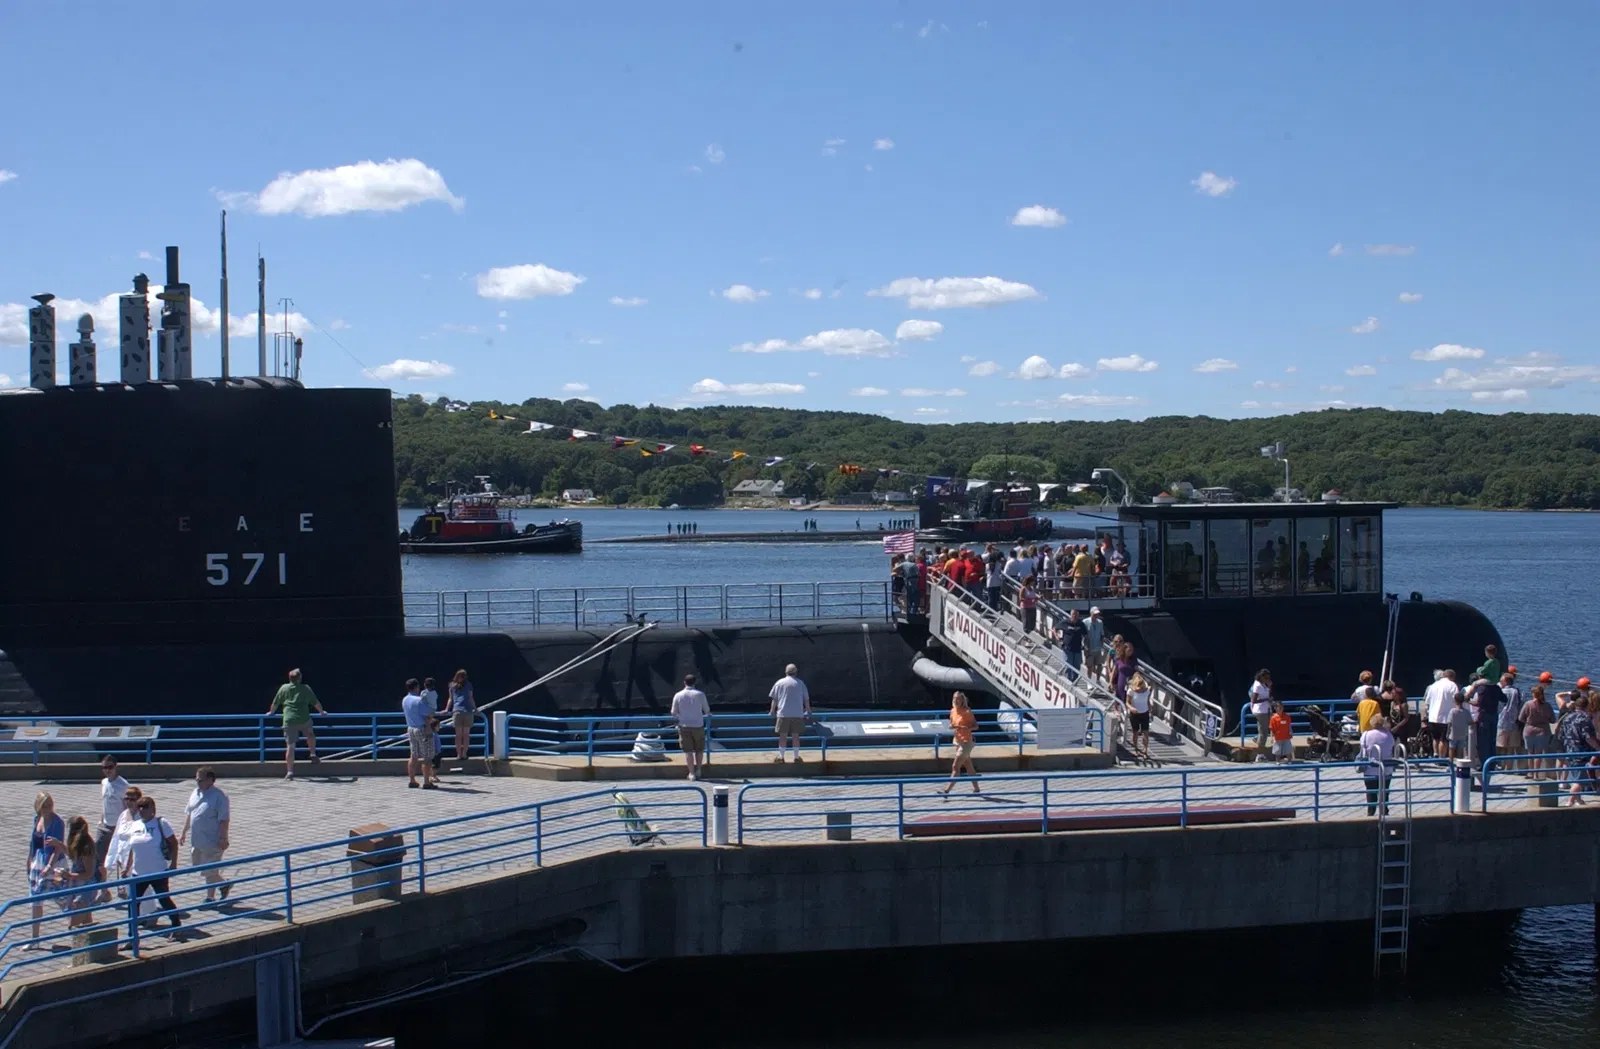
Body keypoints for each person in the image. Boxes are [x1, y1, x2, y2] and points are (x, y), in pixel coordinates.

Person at [120, 796, 183, 939]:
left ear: (153, 809)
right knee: (133, 904)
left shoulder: (161, 823)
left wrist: (173, 864)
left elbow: (173, 843)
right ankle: (132, 937)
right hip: (138, 873)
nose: (142, 810)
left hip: (158, 871)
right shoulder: (135, 825)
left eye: (145, 807)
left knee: (164, 899)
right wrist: (126, 867)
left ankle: (176, 924)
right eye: (139, 807)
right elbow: (132, 848)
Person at [179, 767, 231, 905]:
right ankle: (224, 884)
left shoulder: (219, 796)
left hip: (212, 840)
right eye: (196, 779)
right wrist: (183, 832)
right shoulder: (195, 793)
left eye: (200, 780)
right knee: (200, 867)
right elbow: (190, 814)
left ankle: (210, 897)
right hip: (196, 839)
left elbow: (224, 819)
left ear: (210, 780)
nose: (197, 782)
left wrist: (223, 838)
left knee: (210, 869)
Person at [269, 668, 325, 780]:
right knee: (310, 735)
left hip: (289, 720)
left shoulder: (284, 688)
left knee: (290, 746)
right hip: (304, 718)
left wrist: (271, 712)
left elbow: (276, 702)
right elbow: (315, 702)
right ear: (299, 678)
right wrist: (322, 712)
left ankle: (290, 772)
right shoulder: (305, 688)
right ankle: (313, 753)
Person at [27, 791, 66, 948]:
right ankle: (35, 938)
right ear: (39, 806)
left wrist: (50, 866)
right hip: (38, 862)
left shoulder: (58, 823)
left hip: (55, 865)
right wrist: (29, 862)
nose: (48, 808)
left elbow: (58, 848)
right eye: (45, 806)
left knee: (62, 899)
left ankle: (78, 926)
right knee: (36, 900)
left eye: (50, 805)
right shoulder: (37, 819)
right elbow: (33, 843)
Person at [1556, 693, 1600, 806]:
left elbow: (1561, 735)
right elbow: (1588, 737)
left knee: (1576, 777)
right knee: (1582, 779)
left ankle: (1578, 800)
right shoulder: (1584, 718)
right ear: (1586, 706)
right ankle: (1570, 801)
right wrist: (1597, 747)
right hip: (1583, 752)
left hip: (1569, 750)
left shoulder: (1568, 716)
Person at [57, 817, 99, 931]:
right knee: (86, 921)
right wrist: (59, 845)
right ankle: (90, 945)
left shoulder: (86, 847)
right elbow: (73, 856)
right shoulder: (77, 844)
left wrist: (70, 876)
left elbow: (89, 874)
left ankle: (79, 943)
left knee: (73, 924)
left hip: (87, 886)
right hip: (78, 885)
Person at [671, 673, 711, 781]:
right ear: (695, 683)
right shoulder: (700, 694)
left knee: (688, 751)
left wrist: (681, 717)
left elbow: (673, 712)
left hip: (684, 726)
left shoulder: (678, 695)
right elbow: (707, 711)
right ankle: (698, 770)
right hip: (698, 725)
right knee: (699, 750)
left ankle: (691, 773)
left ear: (684, 682)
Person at [769, 664, 811, 763]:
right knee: (795, 736)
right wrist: (808, 711)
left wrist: (772, 711)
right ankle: (796, 757)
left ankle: (781, 757)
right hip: (797, 714)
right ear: (796, 672)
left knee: (783, 736)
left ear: (786, 672)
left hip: (783, 714)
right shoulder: (800, 683)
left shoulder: (779, 683)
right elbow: (806, 699)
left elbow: (774, 699)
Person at [95, 755, 130, 875]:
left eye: (110, 767)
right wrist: (101, 820)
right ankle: (103, 888)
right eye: (104, 767)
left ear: (115, 767)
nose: (107, 770)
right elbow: (104, 802)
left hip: (118, 827)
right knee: (99, 856)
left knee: (120, 857)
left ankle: (122, 884)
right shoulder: (104, 782)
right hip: (105, 825)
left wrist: (127, 825)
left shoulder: (123, 785)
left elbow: (127, 807)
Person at [939, 691, 980, 794]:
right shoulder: (953, 711)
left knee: (955, 766)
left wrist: (965, 727)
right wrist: (953, 726)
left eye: (959, 699)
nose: (956, 701)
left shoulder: (967, 712)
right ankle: (976, 789)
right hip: (958, 741)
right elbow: (951, 724)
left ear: (962, 700)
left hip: (966, 742)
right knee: (968, 766)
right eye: (955, 699)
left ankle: (946, 790)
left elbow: (976, 726)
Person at [402, 679, 438, 789]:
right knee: (427, 757)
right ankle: (427, 782)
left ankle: (412, 780)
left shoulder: (405, 700)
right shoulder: (419, 700)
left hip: (411, 728)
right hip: (422, 729)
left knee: (414, 755)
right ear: (416, 687)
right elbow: (429, 713)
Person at [1359, 714, 1397, 816]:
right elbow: (1392, 749)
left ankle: (1371, 812)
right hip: (1386, 769)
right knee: (1384, 791)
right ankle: (1384, 811)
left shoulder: (1366, 735)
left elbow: (1363, 753)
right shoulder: (1389, 735)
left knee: (1371, 792)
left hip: (1370, 769)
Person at [1520, 683, 1557, 777]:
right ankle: (1536, 774)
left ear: (1533, 694)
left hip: (1529, 730)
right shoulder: (1547, 705)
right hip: (1543, 731)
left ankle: (1530, 773)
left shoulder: (1528, 704)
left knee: (1530, 753)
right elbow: (1553, 720)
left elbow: (1520, 718)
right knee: (1538, 753)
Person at [1423, 669, 1459, 759]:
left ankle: (1435, 753)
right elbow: (1457, 699)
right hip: (1446, 717)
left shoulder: (1433, 686)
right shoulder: (1452, 685)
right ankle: (1442, 758)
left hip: (1433, 716)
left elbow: (1427, 701)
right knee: (1444, 739)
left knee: (1435, 738)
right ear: (1452, 677)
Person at [446, 669, 477, 764]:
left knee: (461, 735)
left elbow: (451, 699)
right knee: (464, 735)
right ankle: (462, 753)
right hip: (464, 711)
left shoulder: (453, 685)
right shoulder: (467, 685)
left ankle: (461, 753)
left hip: (460, 711)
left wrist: (447, 709)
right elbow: (470, 698)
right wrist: (475, 708)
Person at [1496, 670, 1523, 760]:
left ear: (1505, 681)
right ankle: (1508, 766)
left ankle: (1500, 766)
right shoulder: (1517, 692)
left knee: (1500, 746)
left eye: (1501, 681)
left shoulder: (1502, 691)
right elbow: (1521, 704)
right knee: (1511, 748)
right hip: (1514, 722)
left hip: (1502, 722)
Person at [1126, 671, 1152, 761]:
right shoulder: (1131, 691)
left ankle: (1145, 751)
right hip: (1135, 714)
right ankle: (1135, 749)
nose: (1138, 689)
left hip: (1145, 713)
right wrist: (1131, 708)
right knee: (1135, 733)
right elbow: (1127, 702)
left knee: (1145, 733)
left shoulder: (1147, 691)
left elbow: (1147, 700)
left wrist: (1150, 708)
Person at [1248, 669, 1274, 758]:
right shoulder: (1257, 685)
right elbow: (1254, 700)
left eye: (1268, 678)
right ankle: (1260, 754)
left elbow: (1267, 695)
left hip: (1264, 709)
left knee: (1264, 730)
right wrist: (1266, 700)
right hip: (1259, 710)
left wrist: (1270, 687)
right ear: (1261, 677)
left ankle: (1258, 740)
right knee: (1264, 733)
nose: (1268, 679)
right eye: (1266, 678)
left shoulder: (1264, 685)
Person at [1057, 609, 1087, 678]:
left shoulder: (1081, 624)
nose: (1075, 616)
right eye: (1074, 614)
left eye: (1077, 615)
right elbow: (1055, 629)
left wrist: (1086, 645)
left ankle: (1074, 682)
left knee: (1077, 668)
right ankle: (1068, 683)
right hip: (1067, 649)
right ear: (1071, 615)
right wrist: (1058, 638)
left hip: (1077, 649)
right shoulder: (1065, 622)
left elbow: (1085, 634)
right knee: (1067, 667)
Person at [1352, 671, 1381, 736]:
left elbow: (1353, 698)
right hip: (1374, 709)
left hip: (1363, 709)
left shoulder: (1358, 689)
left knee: (1363, 728)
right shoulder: (1375, 688)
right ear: (1370, 679)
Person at [1448, 690, 1471, 760]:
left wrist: (1447, 733)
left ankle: (1450, 764)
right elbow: (1470, 722)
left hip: (1453, 734)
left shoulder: (1452, 711)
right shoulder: (1466, 712)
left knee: (1451, 749)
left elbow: (1449, 723)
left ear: (1455, 700)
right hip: (1463, 733)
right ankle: (1459, 765)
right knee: (1460, 750)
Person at [1085, 608, 1105, 681]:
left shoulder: (1100, 622)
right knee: (1089, 666)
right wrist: (1085, 646)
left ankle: (1098, 680)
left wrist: (1101, 643)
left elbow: (1102, 634)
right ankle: (1089, 681)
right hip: (1089, 647)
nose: (1096, 615)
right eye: (1095, 614)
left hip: (1098, 647)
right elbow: (1083, 634)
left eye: (1097, 614)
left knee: (1099, 665)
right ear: (1091, 614)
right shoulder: (1085, 621)